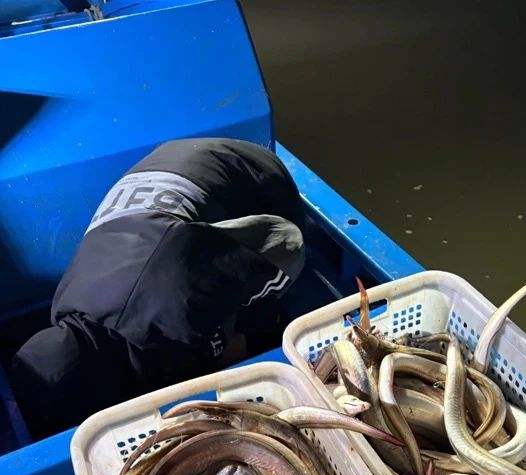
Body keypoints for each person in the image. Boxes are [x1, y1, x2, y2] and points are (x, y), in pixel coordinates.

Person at [10, 138, 306, 440]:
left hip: (255, 179)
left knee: (251, 333)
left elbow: (285, 242)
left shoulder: (177, 308)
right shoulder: (66, 304)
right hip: (169, 163)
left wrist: (250, 331)